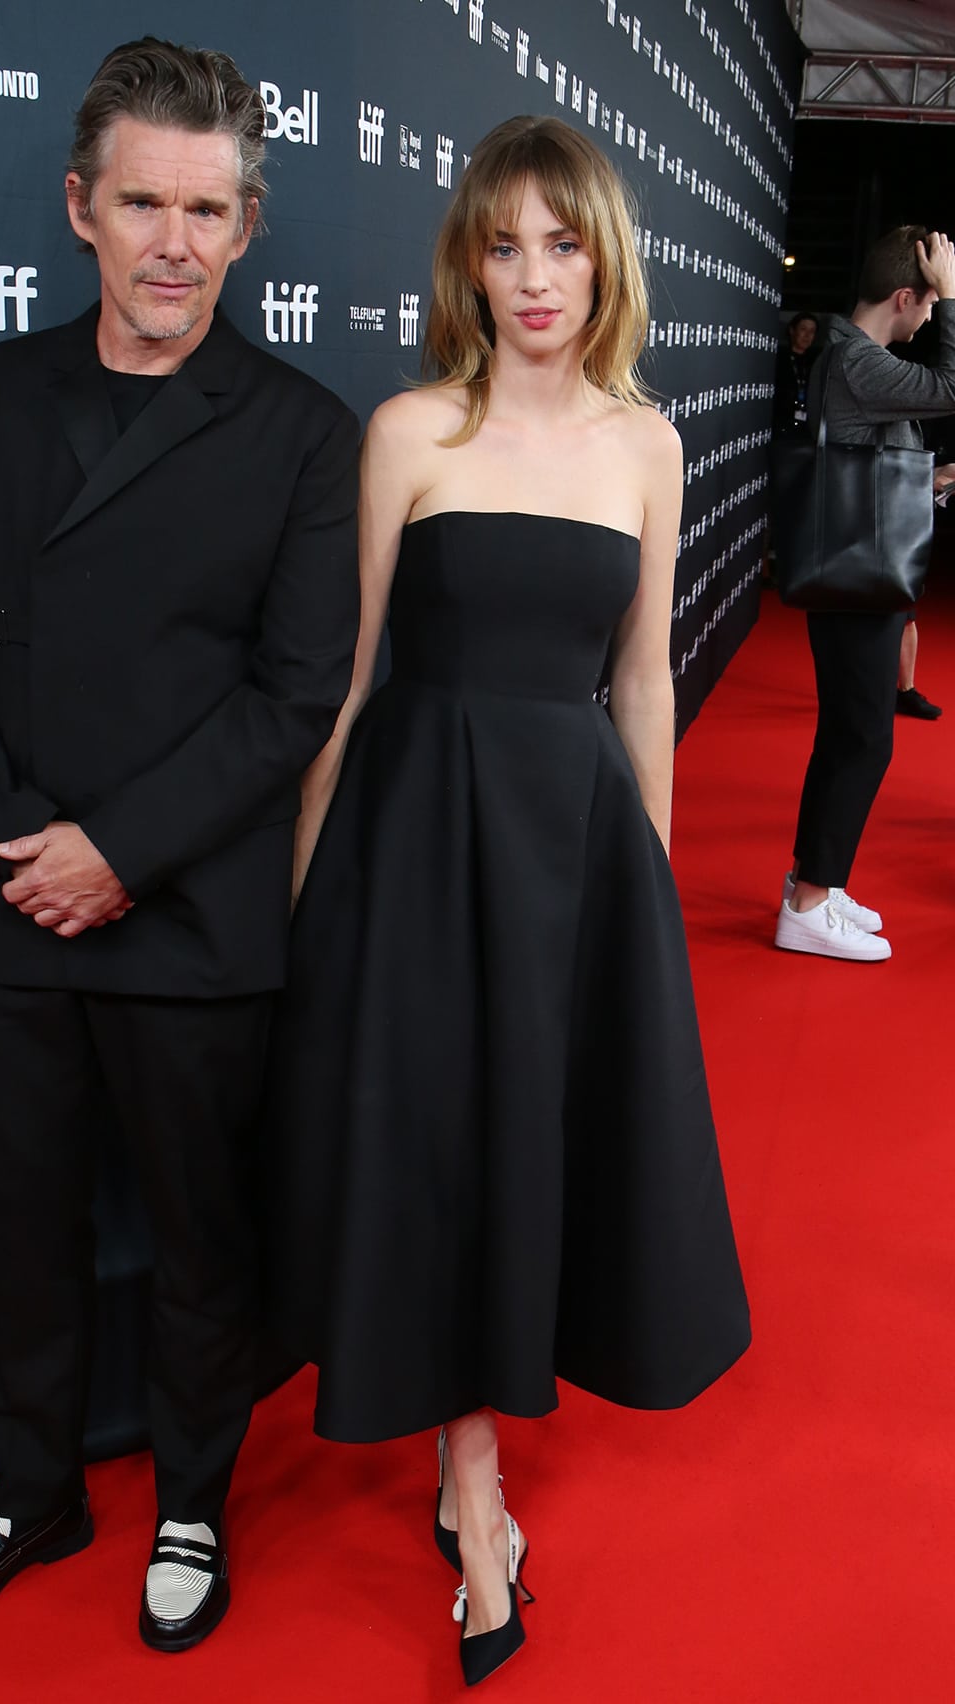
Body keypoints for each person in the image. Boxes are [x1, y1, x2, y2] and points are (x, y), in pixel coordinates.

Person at [262, 115, 750, 1688]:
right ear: (466, 262)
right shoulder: (411, 429)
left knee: (533, 1146)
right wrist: (308, 902)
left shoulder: (647, 444)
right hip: (417, 843)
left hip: (576, 852)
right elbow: (346, 690)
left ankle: (478, 1477)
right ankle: (474, 1498)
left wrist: (648, 903)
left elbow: (646, 681)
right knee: (444, 1148)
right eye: (501, 242)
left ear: (606, 254)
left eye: (562, 241)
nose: (534, 275)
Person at [0, 37, 358, 1649]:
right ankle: (31, 1488)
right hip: (16, 893)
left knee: (198, 1238)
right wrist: (36, 843)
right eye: (143, 201)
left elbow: (297, 697)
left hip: (192, 908)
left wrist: (122, 850)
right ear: (79, 207)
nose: (175, 242)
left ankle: (191, 1506)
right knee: (29, 1221)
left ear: (245, 228)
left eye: (209, 210)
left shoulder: (303, 430)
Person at [775, 226, 955, 962]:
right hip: (857, 580)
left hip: (858, 577)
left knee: (854, 735)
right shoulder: (857, 357)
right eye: (930, 303)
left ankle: (815, 886)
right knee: (861, 740)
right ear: (906, 297)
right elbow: (952, 388)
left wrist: (932, 479)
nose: (928, 320)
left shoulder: (852, 356)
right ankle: (810, 901)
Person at [772, 311, 820, 435]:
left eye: (812, 331)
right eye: (803, 329)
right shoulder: (778, 360)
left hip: (808, 427)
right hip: (781, 424)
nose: (807, 335)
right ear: (792, 330)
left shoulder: (816, 362)